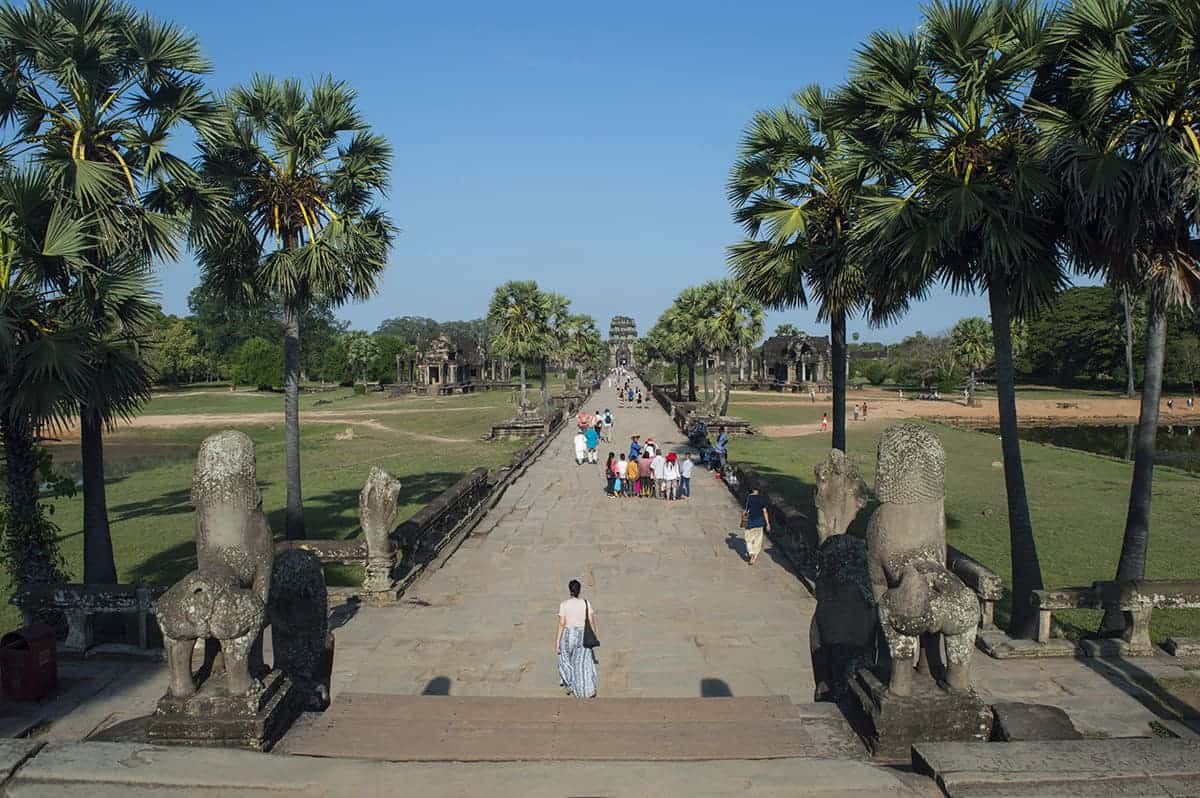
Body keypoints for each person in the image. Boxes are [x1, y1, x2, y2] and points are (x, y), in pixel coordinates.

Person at [556, 579, 597, 698]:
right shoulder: (586, 603)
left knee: (564, 659)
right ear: (579, 590)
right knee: (582, 664)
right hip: (582, 634)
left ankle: (569, 683)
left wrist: (557, 641)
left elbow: (562, 623)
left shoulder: (564, 604)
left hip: (568, 634)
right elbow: (591, 620)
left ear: (570, 590)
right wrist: (594, 635)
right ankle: (583, 691)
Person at [741, 488, 771, 566]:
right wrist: (767, 523)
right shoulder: (762, 499)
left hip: (750, 522)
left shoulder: (748, 498)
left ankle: (751, 553)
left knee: (748, 539)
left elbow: (745, 511)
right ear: (758, 491)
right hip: (759, 522)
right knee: (758, 540)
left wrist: (743, 521)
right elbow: (765, 511)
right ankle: (755, 554)